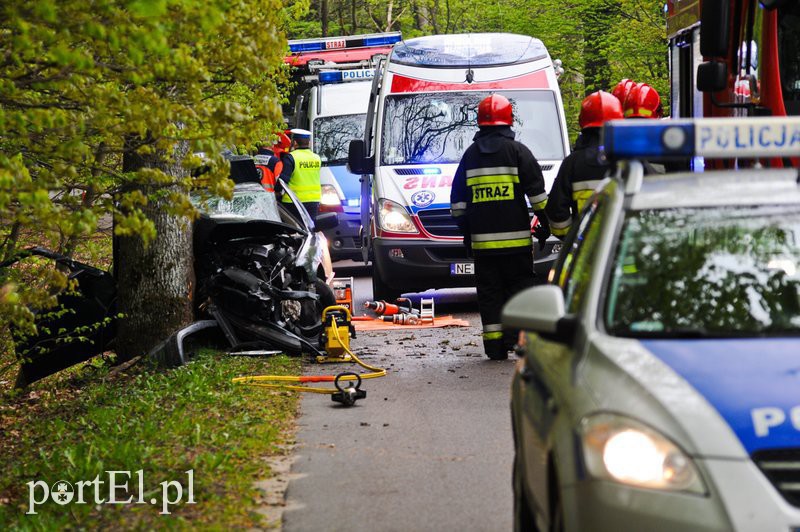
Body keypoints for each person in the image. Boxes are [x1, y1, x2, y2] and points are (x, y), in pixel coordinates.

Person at [450, 94, 550, 360]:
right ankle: (517, 340)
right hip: (517, 246)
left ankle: (494, 347)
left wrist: (469, 230)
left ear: (480, 123)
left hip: (484, 248)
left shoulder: (469, 157)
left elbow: (457, 206)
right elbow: (539, 197)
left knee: (490, 294)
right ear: (508, 121)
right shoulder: (519, 152)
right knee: (518, 290)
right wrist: (545, 225)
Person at [546, 91, 622, 239]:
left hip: (584, 252)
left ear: (582, 122)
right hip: (623, 248)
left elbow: (555, 209)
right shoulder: (631, 159)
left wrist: (571, 239)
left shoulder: (572, 163)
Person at [278, 128, 322, 221]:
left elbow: (283, 179)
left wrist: (276, 191)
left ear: (294, 143)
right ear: (309, 143)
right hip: (314, 200)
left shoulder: (291, 157)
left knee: (295, 230)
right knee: (311, 227)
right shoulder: (317, 158)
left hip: (294, 201)